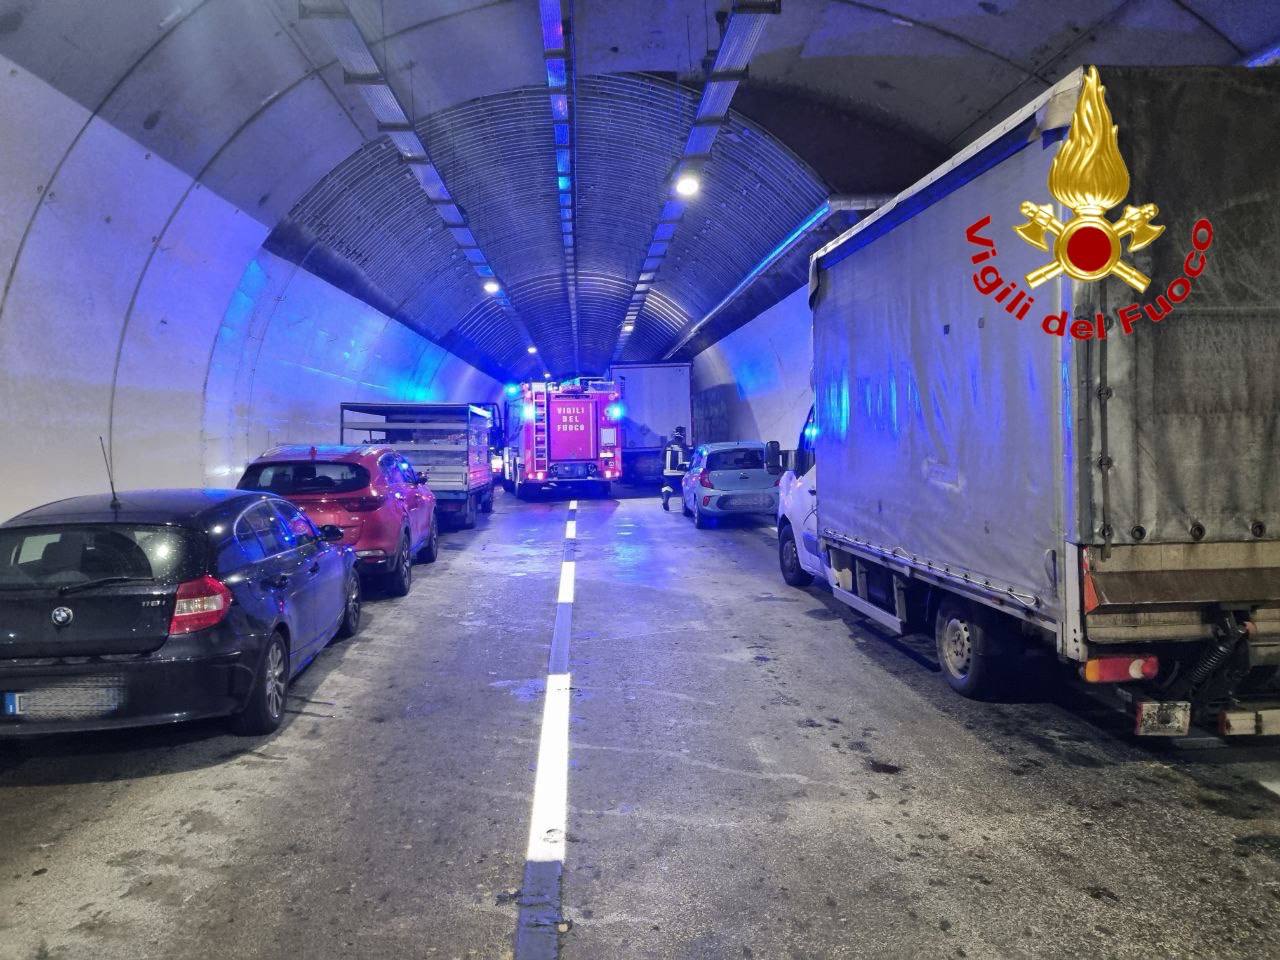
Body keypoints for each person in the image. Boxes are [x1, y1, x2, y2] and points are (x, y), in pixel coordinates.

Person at [660, 426, 690, 511]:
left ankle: (665, 500)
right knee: (685, 488)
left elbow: (662, 457)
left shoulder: (668, 444)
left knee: (667, 486)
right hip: (680, 473)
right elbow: (688, 459)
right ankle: (686, 506)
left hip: (668, 472)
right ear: (683, 436)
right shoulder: (683, 446)